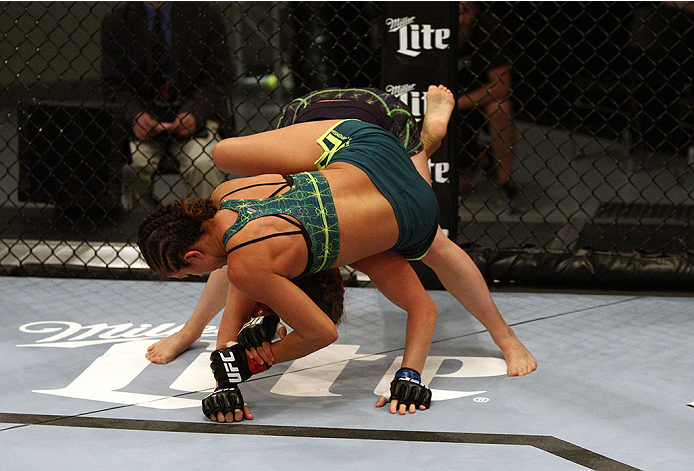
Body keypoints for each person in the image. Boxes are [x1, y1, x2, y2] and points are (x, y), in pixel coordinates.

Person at [145, 85, 537, 379]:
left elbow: (238, 271)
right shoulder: (269, 245)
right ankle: (423, 145)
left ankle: (506, 337)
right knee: (228, 228)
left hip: (336, 131)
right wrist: (228, 353)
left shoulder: (263, 255)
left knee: (229, 229)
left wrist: (233, 358)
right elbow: (232, 266)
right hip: (360, 145)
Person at [138, 118, 443, 422]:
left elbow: (322, 332)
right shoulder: (228, 192)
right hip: (368, 141)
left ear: (193, 255)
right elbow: (236, 313)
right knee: (223, 153)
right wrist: (227, 375)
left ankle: (424, 149)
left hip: (419, 210)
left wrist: (245, 366)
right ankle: (422, 147)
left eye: (191, 273)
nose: (203, 275)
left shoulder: (252, 265)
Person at [101, 1, 231, 207]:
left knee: (203, 164)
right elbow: (114, 83)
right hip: (142, 120)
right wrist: (136, 115)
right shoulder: (116, 20)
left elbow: (218, 77)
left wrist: (194, 113)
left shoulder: (205, 13)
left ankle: (205, 228)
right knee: (131, 166)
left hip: (195, 116)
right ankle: (143, 228)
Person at [456, 1, 519, 206]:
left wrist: (456, 103)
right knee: (458, 187)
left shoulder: (489, 29)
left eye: (467, 11)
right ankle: (481, 158)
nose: (463, 19)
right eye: (457, 12)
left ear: (477, 10)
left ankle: (505, 184)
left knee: (500, 108)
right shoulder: (429, 30)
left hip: (477, 100)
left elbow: (502, 86)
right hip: (442, 103)